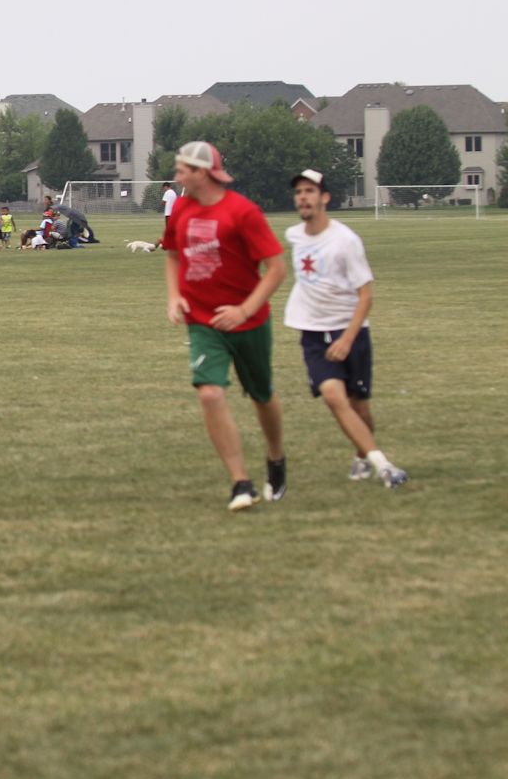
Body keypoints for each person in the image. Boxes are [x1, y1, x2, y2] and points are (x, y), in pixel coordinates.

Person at [165, 141, 288, 511]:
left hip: (249, 323)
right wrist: (174, 296)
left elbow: (277, 269)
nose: (177, 176)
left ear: (202, 173)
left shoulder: (243, 212)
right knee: (209, 393)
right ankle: (240, 483)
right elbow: (172, 255)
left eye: (182, 170)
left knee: (262, 395)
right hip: (203, 321)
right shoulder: (181, 208)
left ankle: (276, 457)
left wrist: (244, 310)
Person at [284, 169, 408, 489]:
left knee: (359, 405)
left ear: (324, 197)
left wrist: (347, 339)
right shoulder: (294, 235)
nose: (303, 197)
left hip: (350, 331)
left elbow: (366, 294)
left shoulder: (345, 240)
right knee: (332, 395)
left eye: (310, 191)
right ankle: (383, 465)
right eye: (299, 192)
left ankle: (361, 455)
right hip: (313, 333)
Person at [158, 181, 179, 248]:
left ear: (166, 187)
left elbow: (163, 202)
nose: (163, 189)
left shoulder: (167, 192)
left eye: (163, 188)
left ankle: (168, 243)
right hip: (173, 213)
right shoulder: (174, 193)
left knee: (168, 229)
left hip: (168, 213)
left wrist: (160, 206)